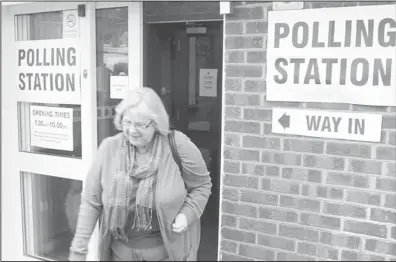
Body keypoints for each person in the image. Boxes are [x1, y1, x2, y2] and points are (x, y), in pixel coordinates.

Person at [69, 87, 212, 261]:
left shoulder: (178, 146)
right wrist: (78, 251)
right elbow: (92, 201)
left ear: (156, 123)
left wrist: (187, 213)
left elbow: (202, 186)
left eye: (140, 124)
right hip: (120, 254)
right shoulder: (109, 148)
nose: (131, 130)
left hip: (166, 255)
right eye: (127, 122)